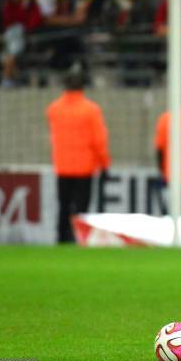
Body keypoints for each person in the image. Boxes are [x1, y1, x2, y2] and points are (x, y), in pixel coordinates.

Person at [46, 66, 111, 243]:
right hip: (85, 167)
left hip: (63, 166)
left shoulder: (54, 109)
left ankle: (61, 239)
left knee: (63, 206)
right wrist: (104, 164)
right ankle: (78, 239)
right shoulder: (91, 110)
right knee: (81, 209)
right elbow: (99, 140)